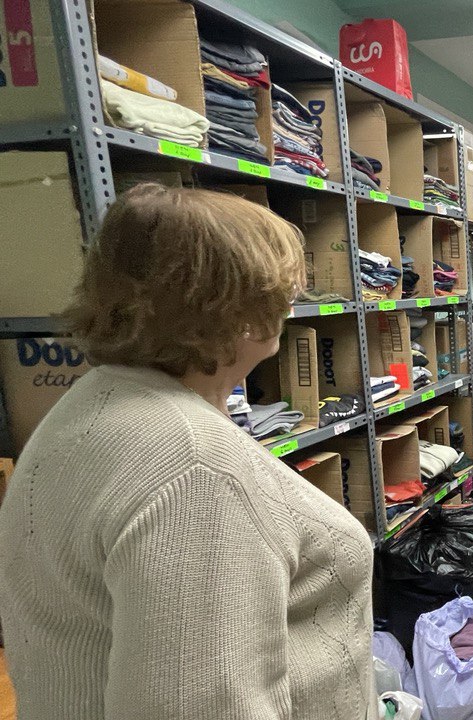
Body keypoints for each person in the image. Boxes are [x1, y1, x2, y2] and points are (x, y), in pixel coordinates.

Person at [0, 184, 378, 720]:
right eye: (277, 289)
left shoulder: (93, 404)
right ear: (235, 308)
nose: (292, 300)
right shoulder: (196, 467)